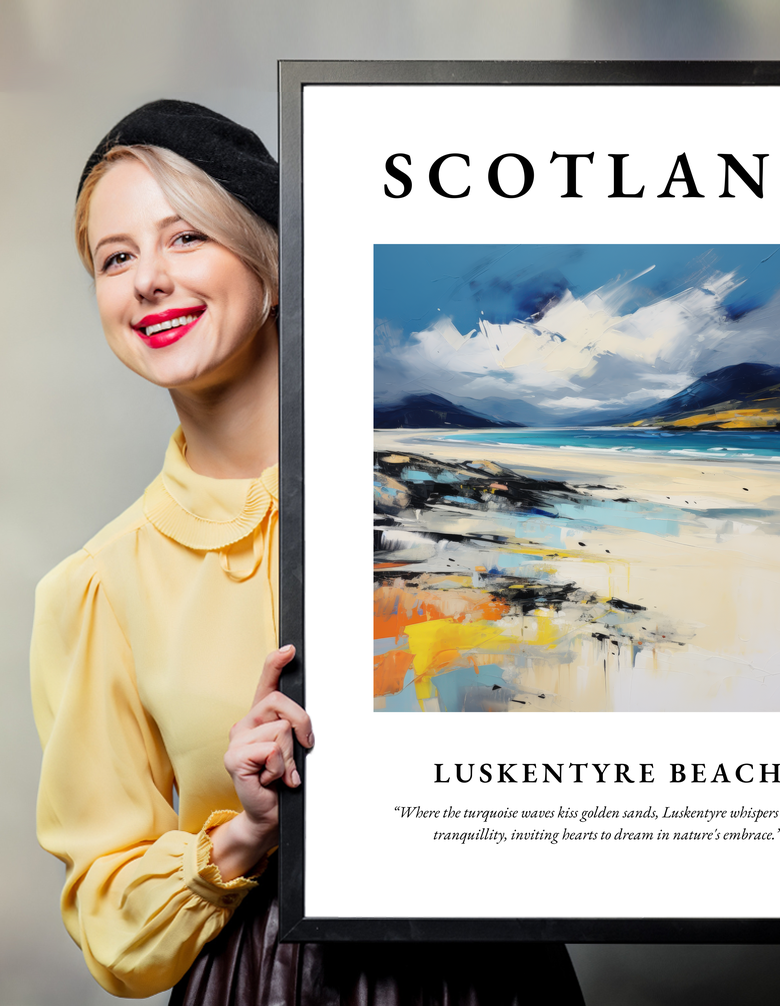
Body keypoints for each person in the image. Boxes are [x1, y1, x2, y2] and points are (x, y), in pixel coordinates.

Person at [30, 100, 586, 1004]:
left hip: (492, 973)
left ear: (273, 263)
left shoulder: (454, 500)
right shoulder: (97, 587)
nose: (148, 281)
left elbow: (615, 704)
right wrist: (245, 832)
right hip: (262, 982)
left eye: (185, 238)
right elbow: (110, 923)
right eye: (116, 257)